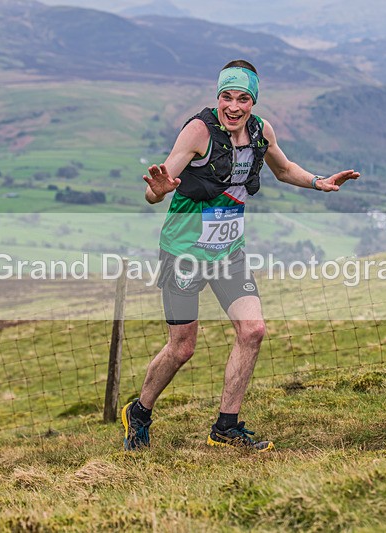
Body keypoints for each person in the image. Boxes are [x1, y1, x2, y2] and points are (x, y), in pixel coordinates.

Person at [122, 59, 359, 452]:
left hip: (228, 252)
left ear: (253, 101)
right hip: (184, 252)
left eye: (243, 98)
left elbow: (283, 170)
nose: (234, 106)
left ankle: (225, 428)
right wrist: (159, 189)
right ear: (217, 97)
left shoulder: (260, 131)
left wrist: (319, 182)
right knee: (182, 347)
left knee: (253, 331)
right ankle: (141, 411)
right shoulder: (198, 131)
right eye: (226, 97)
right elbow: (156, 187)